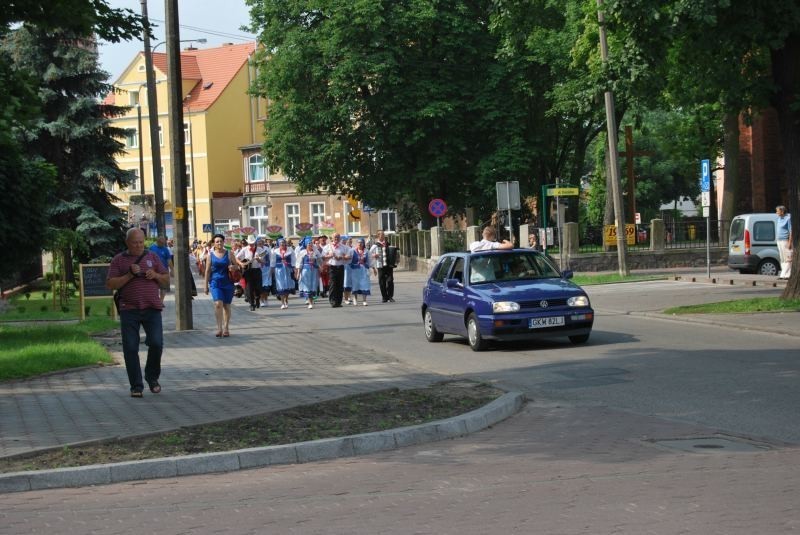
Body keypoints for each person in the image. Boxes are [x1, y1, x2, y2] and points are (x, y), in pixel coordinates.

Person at [106, 228, 170, 398]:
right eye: (135, 242)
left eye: (141, 242)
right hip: (129, 310)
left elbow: (166, 279)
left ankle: (152, 376)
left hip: (152, 308)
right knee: (130, 347)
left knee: (156, 343)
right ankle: (136, 385)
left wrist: (155, 274)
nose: (139, 245)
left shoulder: (152, 256)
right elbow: (111, 284)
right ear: (127, 243)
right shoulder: (119, 260)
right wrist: (129, 275)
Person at [204, 233, 238, 338]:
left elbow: (237, 266)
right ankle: (219, 328)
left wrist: (233, 267)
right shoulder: (210, 255)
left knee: (227, 306)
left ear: (224, 242)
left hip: (228, 283)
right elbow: (207, 271)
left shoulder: (229, 253)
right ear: (214, 243)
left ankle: (226, 327)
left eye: (221, 241)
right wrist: (205, 285)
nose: (219, 243)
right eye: (217, 241)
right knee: (218, 304)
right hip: (215, 283)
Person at [237, 235, 266, 311]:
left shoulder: (260, 250)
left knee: (258, 288)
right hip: (248, 271)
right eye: (250, 243)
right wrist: (241, 264)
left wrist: (259, 260)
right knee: (249, 288)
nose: (251, 244)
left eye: (252, 243)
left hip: (257, 270)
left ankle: (257, 298)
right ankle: (252, 304)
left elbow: (263, 262)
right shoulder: (244, 249)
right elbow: (236, 258)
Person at [322, 232, 351, 307]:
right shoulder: (328, 247)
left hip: (340, 267)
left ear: (340, 238)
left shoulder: (343, 247)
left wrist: (341, 257)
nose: (336, 239)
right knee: (332, 284)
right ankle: (332, 301)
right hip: (332, 267)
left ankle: (339, 302)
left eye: (338, 237)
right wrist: (330, 256)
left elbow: (349, 255)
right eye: (335, 237)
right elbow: (322, 257)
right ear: (332, 238)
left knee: (340, 284)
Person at [369, 229, 395, 303]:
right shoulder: (375, 245)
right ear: (378, 236)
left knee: (390, 281)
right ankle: (384, 297)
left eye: (383, 234)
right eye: (382, 234)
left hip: (389, 265)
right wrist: (374, 255)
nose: (383, 235)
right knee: (382, 282)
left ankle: (390, 296)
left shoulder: (388, 244)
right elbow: (369, 254)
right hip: (380, 265)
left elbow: (392, 252)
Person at [296, 239, 321, 309]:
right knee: (307, 286)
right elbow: (299, 263)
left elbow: (319, 260)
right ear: (306, 245)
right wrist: (298, 273)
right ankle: (310, 302)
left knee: (313, 285)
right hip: (305, 270)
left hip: (314, 271)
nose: (310, 245)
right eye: (309, 244)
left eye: (311, 243)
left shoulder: (316, 252)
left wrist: (320, 267)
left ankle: (312, 301)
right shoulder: (303, 252)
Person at [346, 238, 372, 306]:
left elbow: (370, 261)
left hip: (363, 270)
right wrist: (350, 264)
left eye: (361, 243)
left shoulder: (367, 251)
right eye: (358, 243)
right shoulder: (352, 251)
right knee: (355, 284)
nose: (360, 244)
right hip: (355, 270)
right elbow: (348, 260)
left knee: (364, 284)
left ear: (363, 244)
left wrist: (370, 267)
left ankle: (364, 300)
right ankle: (355, 299)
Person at [271, 238, 295, 309]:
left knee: (287, 284)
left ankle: (286, 300)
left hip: (288, 269)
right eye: (281, 243)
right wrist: (271, 271)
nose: (282, 244)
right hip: (279, 269)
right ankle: (282, 302)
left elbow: (294, 259)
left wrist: (294, 268)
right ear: (279, 244)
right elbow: (272, 262)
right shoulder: (275, 251)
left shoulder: (290, 250)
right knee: (280, 285)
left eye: (284, 243)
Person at [149, 235, 173, 303]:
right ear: (157, 242)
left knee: (163, 287)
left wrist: (172, 270)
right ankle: (156, 300)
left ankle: (161, 301)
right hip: (154, 270)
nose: (163, 245)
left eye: (164, 243)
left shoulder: (165, 249)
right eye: (161, 243)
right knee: (154, 286)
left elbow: (169, 260)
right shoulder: (151, 248)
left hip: (164, 270)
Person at [776, 205, 793, 280]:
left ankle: (785, 274)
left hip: (785, 240)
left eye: (778, 211)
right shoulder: (779, 218)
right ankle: (784, 273)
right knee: (782, 258)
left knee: (788, 258)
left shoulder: (788, 218)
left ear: (782, 211)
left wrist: (790, 242)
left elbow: (791, 231)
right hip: (779, 240)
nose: (776, 212)